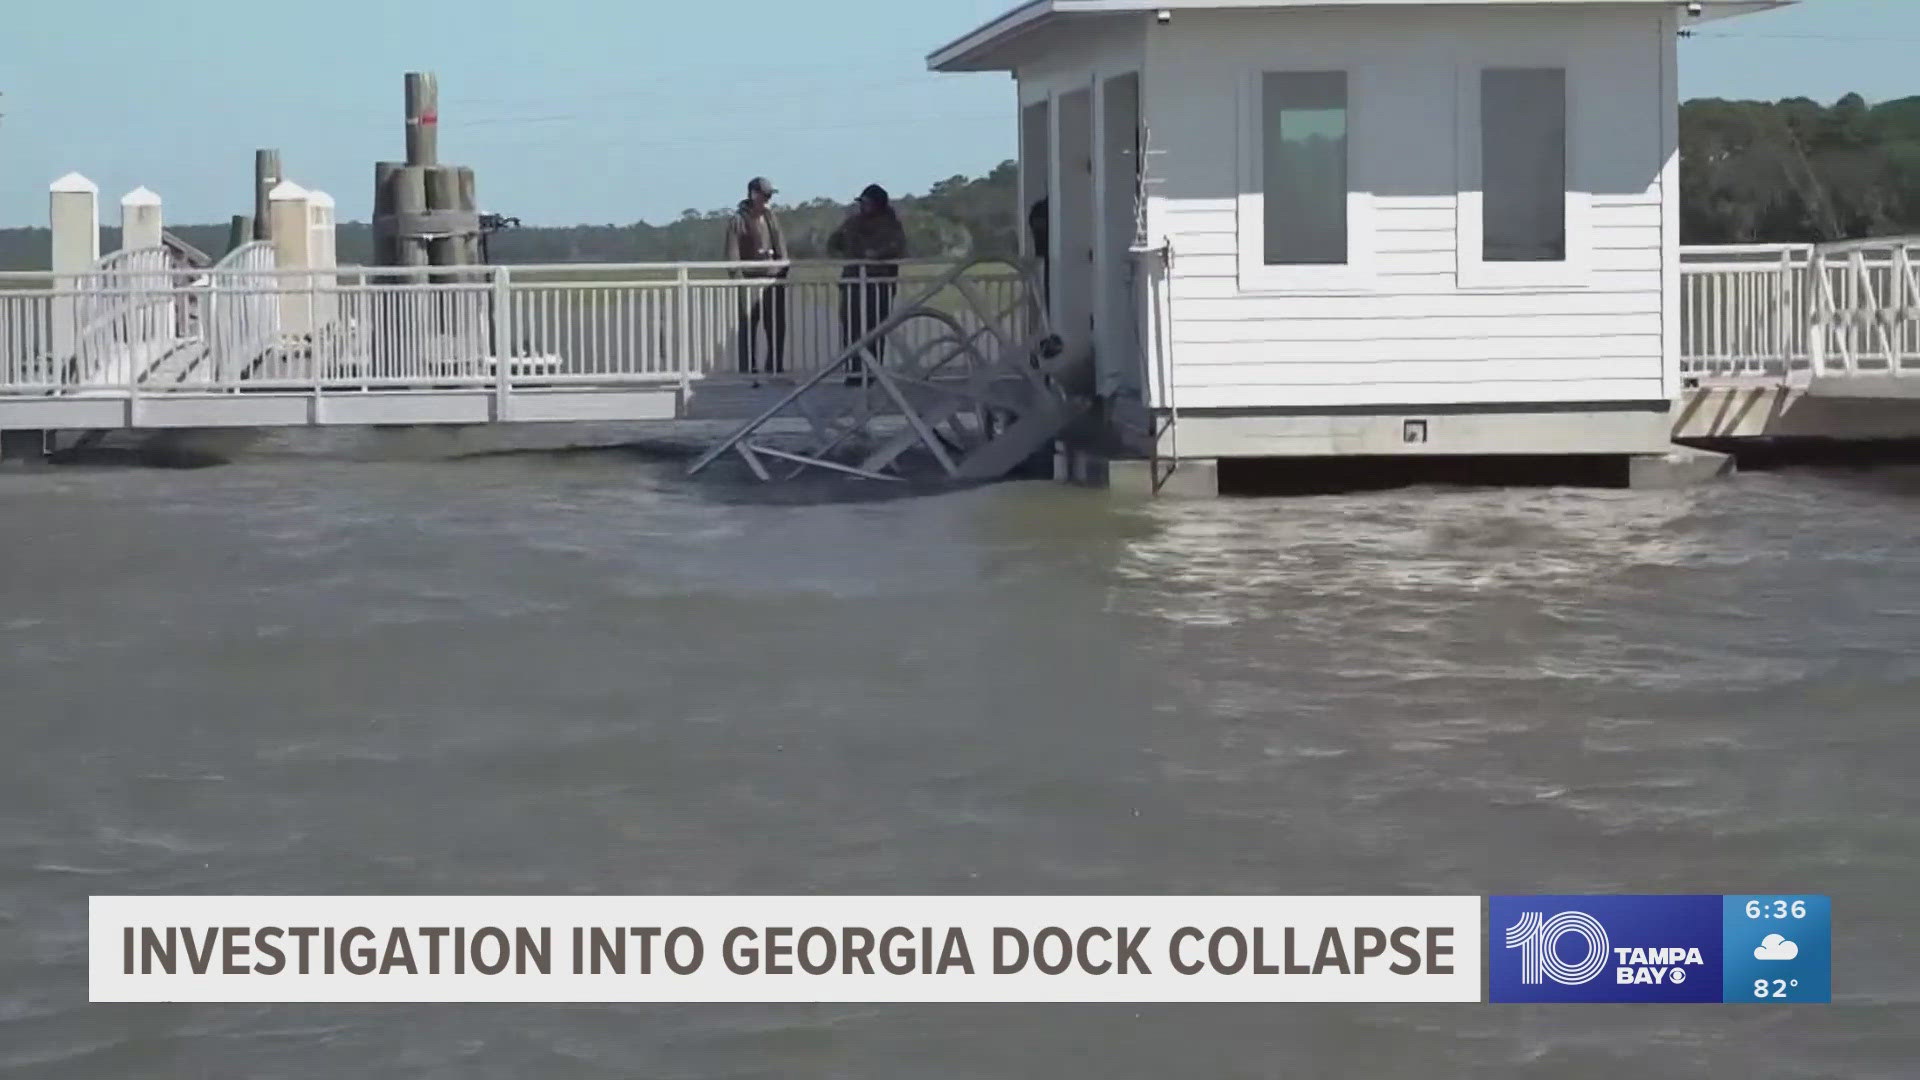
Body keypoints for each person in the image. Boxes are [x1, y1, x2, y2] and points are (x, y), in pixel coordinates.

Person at [827, 184, 909, 386]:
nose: (864, 206)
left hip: (878, 285)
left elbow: (897, 247)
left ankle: (872, 373)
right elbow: (832, 243)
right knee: (851, 330)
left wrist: (876, 255)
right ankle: (854, 373)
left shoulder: (891, 225)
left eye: (868, 203)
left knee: (875, 330)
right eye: (862, 203)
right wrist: (846, 257)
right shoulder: (852, 223)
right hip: (853, 283)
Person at [723, 177, 789, 380]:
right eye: (765, 194)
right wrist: (739, 278)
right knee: (748, 324)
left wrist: (783, 270)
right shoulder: (738, 220)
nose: (768, 199)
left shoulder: (771, 217)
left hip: (772, 279)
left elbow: (781, 247)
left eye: (770, 195)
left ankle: (775, 366)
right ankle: (748, 369)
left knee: (777, 324)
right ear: (753, 194)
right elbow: (732, 253)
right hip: (750, 280)